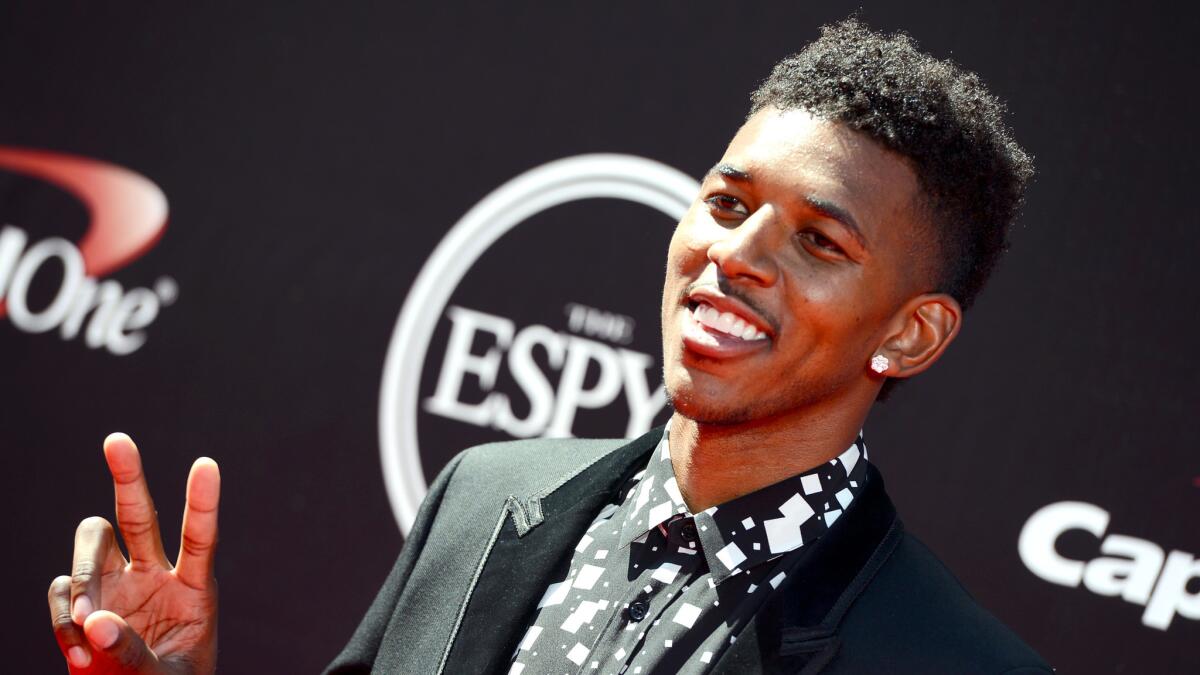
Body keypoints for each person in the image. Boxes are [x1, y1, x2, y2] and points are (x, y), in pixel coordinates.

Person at [47, 19, 1051, 674]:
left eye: (817, 241)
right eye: (727, 202)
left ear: (912, 336)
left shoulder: (954, 662)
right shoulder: (480, 499)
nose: (731, 254)